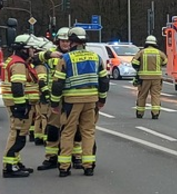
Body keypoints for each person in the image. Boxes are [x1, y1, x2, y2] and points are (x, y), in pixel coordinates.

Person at [50, 27, 109, 177]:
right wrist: (102, 99)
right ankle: (88, 166)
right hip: (91, 100)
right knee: (88, 132)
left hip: (71, 101)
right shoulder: (96, 57)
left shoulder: (66, 59)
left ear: (71, 42)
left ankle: (64, 167)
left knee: (68, 132)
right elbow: (104, 80)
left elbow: (57, 84)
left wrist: (55, 104)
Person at [2, 35, 38, 177]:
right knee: (17, 135)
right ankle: (9, 167)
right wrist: (21, 106)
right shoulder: (18, 64)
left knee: (18, 134)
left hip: (15, 102)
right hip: (17, 104)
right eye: (31, 48)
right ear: (23, 49)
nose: (33, 51)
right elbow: (17, 86)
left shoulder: (15, 60)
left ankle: (15, 162)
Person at [37, 28, 68, 170]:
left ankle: (76, 157)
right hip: (55, 98)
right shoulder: (52, 56)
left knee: (74, 128)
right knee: (53, 128)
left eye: (68, 41)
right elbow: (34, 59)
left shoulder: (76, 55)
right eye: (63, 41)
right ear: (58, 41)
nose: (66, 44)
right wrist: (49, 54)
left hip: (71, 97)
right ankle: (51, 158)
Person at [131, 35, 168, 119]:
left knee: (142, 95)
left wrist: (139, 68)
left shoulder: (142, 52)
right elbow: (165, 62)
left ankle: (140, 113)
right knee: (155, 95)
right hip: (157, 79)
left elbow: (134, 63)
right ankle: (155, 113)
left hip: (144, 78)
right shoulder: (159, 52)